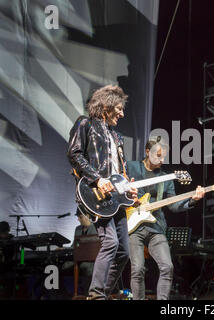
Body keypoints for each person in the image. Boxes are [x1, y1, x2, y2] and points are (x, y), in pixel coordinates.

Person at [67, 84, 138, 300]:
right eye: (118, 108)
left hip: (116, 198)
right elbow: (74, 154)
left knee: (124, 252)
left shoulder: (116, 137)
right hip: (95, 195)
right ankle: (96, 294)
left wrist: (128, 189)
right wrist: (96, 180)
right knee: (110, 243)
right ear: (106, 106)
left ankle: (103, 294)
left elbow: (119, 171)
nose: (122, 113)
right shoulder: (85, 123)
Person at [127, 137, 205, 300]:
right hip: (134, 226)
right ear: (148, 152)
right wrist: (129, 198)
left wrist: (192, 200)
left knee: (167, 267)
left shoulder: (165, 178)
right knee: (138, 269)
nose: (162, 160)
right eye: (158, 156)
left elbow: (173, 205)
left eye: (164, 157)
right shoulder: (131, 167)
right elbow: (119, 190)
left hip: (156, 227)